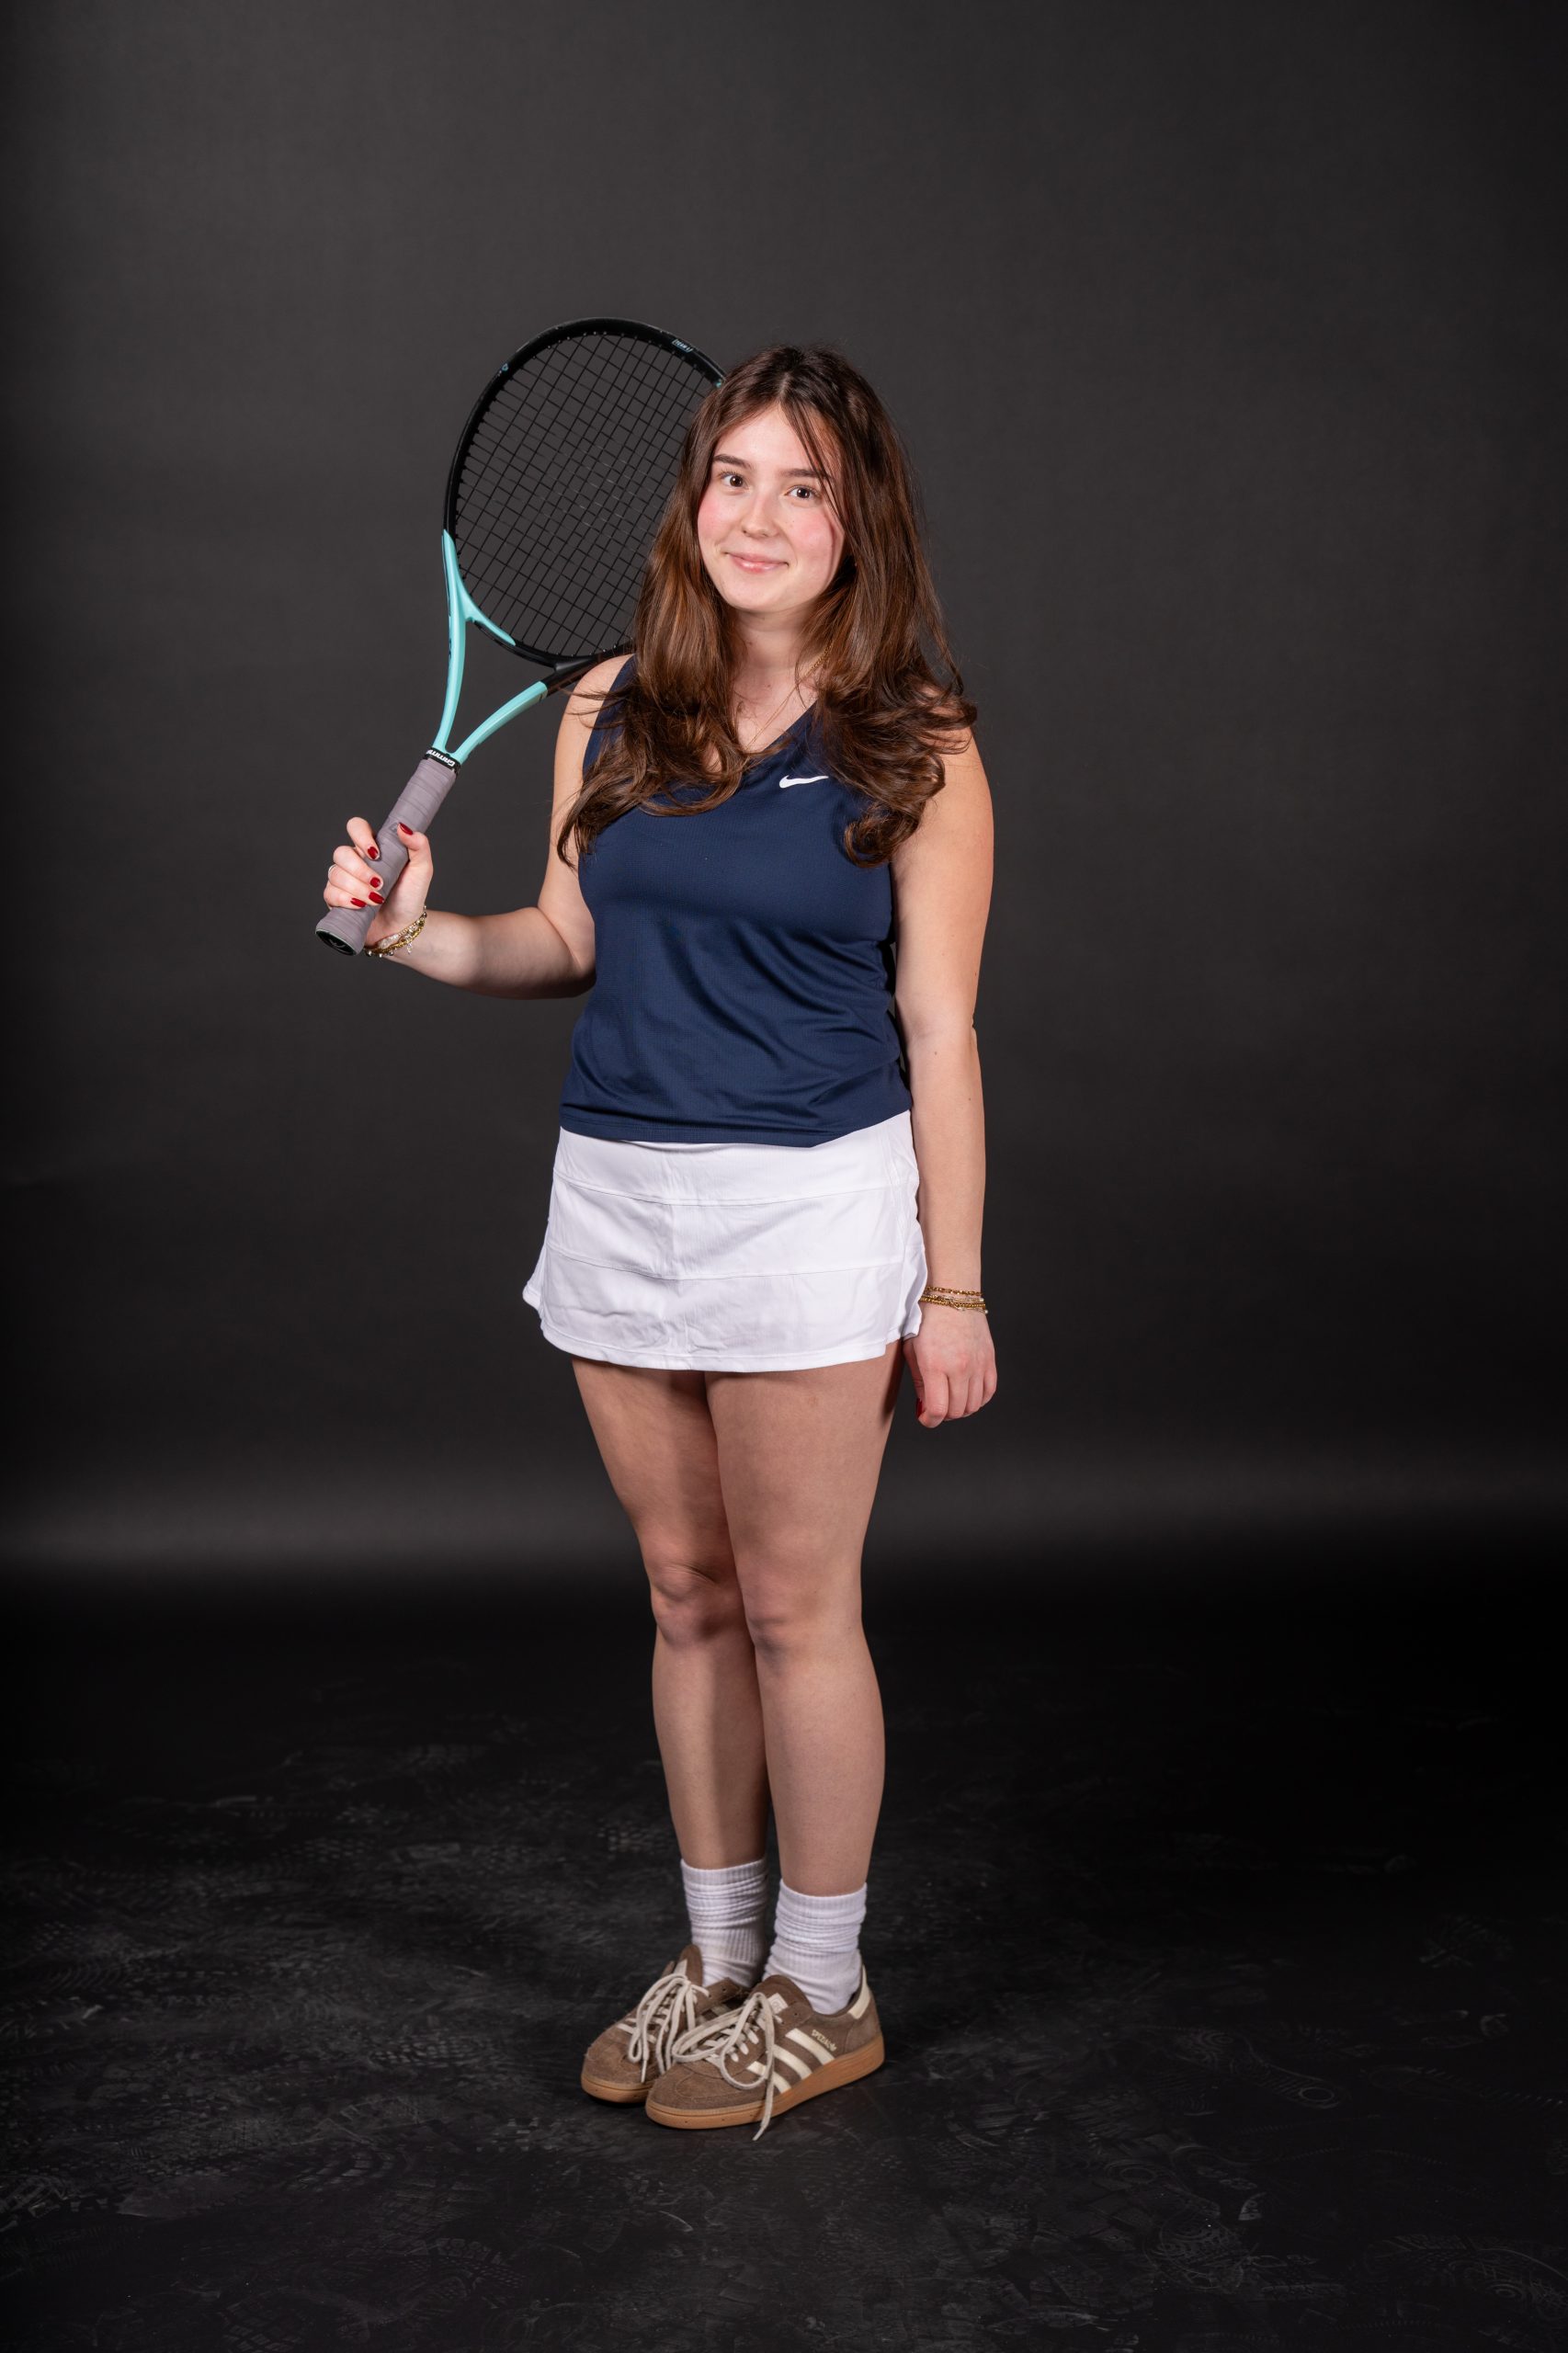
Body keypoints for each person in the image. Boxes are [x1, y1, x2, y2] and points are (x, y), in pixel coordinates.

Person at [321, 343, 995, 2140]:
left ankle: (823, 1990)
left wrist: (951, 1286)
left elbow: (939, 1028)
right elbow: (561, 939)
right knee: (687, 1597)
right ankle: (716, 1961)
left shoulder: (916, 736)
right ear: (690, 501)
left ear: (857, 524)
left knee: (792, 1606)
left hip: (809, 1206)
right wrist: (409, 932)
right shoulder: (606, 701)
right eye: (731, 479)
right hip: (618, 1195)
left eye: (802, 488)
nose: (757, 518)